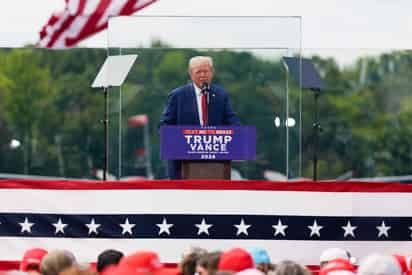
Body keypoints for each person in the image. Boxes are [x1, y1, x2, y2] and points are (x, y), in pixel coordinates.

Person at [159, 56, 240, 179]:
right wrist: (180, 139)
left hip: (215, 165)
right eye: (198, 72)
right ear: (191, 74)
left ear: (212, 72)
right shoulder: (177, 96)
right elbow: (164, 126)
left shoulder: (221, 95)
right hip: (182, 166)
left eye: (206, 71)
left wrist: (240, 134)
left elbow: (232, 120)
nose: (203, 75)